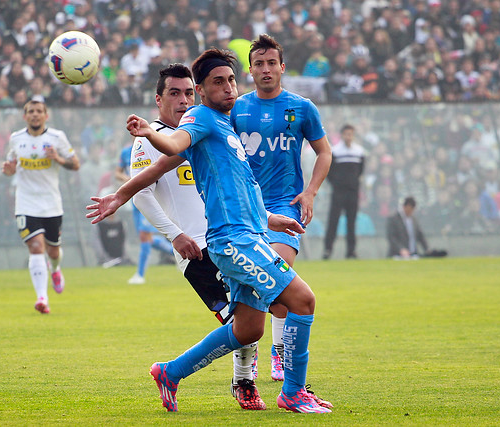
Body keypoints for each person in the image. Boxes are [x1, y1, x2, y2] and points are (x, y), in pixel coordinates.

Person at [88, 48, 331, 414]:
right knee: (303, 300)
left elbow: (224, 185)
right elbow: (172, 144)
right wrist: (149, 134)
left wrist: (270, 219)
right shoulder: (200, 117)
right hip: (234, 241)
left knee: (249, 330)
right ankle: (293, 392)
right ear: (201, 91)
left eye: (232, 80)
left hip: (249, 233)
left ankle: (170, 372)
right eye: (218, 82)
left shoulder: (223, 125)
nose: (229, 88)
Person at [230, 34, 332, 383]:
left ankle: (279, 353)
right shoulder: (237, 109)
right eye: (259, 63)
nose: (266, 69)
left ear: (282, 67)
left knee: (276, 274)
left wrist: (310, 192)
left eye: (271, 62)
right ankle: (249, 353)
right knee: (253, 287)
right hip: (245, 210)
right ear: (250, 71)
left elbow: (324, 152)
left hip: (285, 207)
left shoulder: (302, 107)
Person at [2, 98, 80, 314]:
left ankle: (55, 269)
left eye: (38, 111)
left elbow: (75, 164)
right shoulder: (16, 139)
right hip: (26, 204)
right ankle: (42, 298)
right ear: (24, 116)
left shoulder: (57, 137)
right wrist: (8, 170)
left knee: (53, 251)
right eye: (31, 111)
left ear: (46, 116)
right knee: (36, 247)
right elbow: (10, 166)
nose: (35, 114)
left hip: (51, 204)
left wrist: (58, 159)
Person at [115, 130, 174, 285]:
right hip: (134, 198)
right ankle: (178, 251)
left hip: (148, 195)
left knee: (144, 236)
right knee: (147, 238)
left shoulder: (151, 148)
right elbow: (117, 173)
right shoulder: (126, 152)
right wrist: (127, 179)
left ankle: (140, 275)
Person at [323, 124, 366, 259]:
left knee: (351, 221)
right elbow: (329, 171)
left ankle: (351, 251)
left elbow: (360, 170)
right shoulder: (335, 151)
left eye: (351, 134)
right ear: (342, 135)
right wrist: (337, 184)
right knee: (333, 220)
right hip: (338, 192)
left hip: (353, 191)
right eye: (346, 134)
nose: (349, 137)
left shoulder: (359, 151)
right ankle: (328, 249)